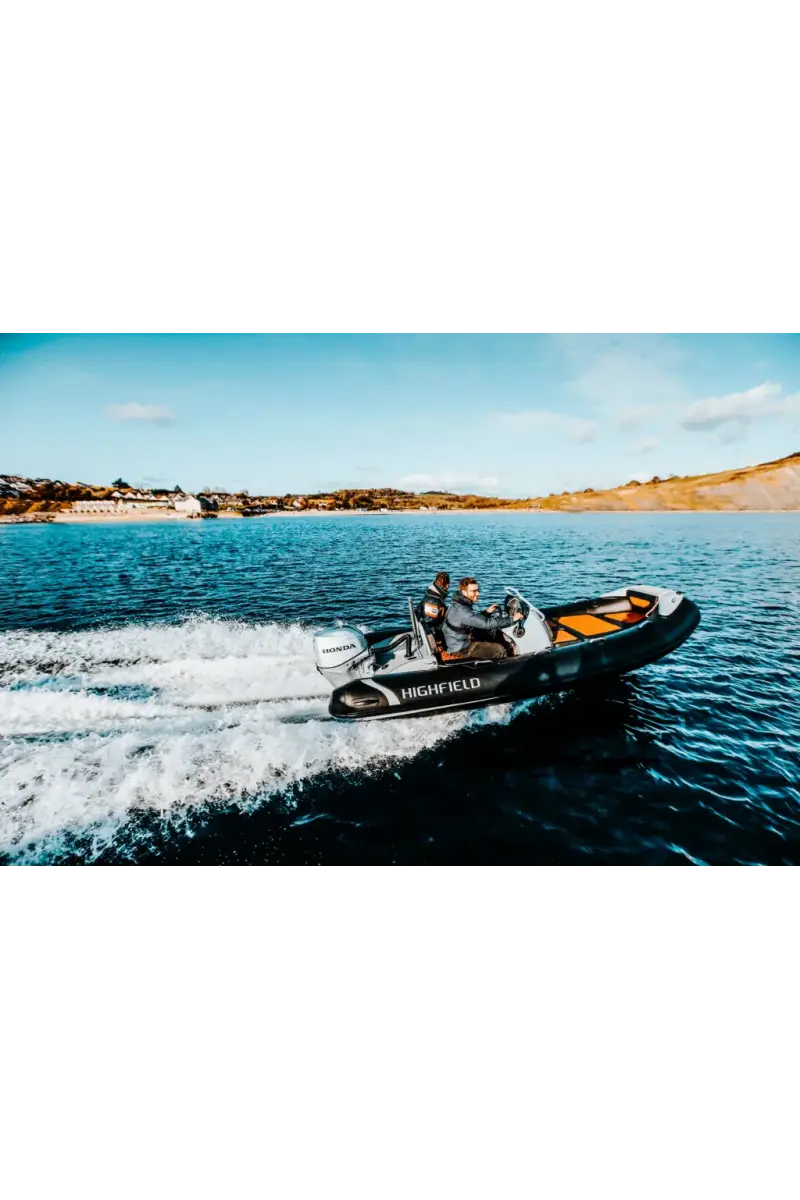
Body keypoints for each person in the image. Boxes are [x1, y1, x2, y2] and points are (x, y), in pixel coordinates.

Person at [442, 577, 519, 660]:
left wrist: (486, 613)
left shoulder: (457, 604)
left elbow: (471, 619)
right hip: (461, 649)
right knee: (499, 650)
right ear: (464, 592)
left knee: (492, 634)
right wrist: (511, 620)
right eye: (474, 591)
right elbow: (487, 623)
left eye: (478, 590)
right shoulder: (463, 611)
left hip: (458, 642)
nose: (478, 593)